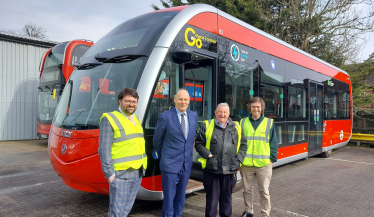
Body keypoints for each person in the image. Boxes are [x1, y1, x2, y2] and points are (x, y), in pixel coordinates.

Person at [98, 88, 147, 217]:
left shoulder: (135, 119)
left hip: (137, 172)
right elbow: (104, 149)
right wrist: (110, 174)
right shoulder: (109, 118)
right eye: (128, 101)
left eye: (134, 102)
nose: (131, 104)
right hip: (120, 175)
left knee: (125, 210)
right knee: (117, 213)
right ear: (120, 101)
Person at [195, 103, 247, 217]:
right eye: (220, 112)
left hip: (230, 170)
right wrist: (207, 154)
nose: (222, 114)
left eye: (225, 112)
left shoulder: (237, 127)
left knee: (226, 201)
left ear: (228, 113)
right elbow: (198, 143)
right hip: (211, 170)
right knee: (212, 201)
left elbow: (243, 145)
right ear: (215, 112)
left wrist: (238, 160)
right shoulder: (207, 125)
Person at [153, 88, 198, 217]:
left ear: (189, 101)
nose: (183, 102)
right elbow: (157, 140)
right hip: (170, 164)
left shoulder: (193, 116)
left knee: (181, 197)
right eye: (180, 99)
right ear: (175, 100)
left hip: (186, 165)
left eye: (185, 99)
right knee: (169, 198)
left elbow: (190, 139)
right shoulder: (165, 116)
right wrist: (165, 155)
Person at [240, 97, 278, 217]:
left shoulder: (269, 123)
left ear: (262, 108)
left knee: (264, 192)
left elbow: (274, 143)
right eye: (253, 107)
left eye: (258, 107)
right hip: (246, 163)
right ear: (249, 108)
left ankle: (265, 214)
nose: (256, 109)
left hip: (264, 163)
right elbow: (238, 143)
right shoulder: (242, 122)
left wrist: (272, 159)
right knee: (247, 190)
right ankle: (248, 211)